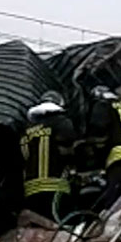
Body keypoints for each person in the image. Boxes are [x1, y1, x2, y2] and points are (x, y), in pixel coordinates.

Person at [20, 91, 77, 221]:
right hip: (56, 187)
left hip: (30, 191)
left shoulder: (26, 131)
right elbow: (70, 147)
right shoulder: (61, 122)